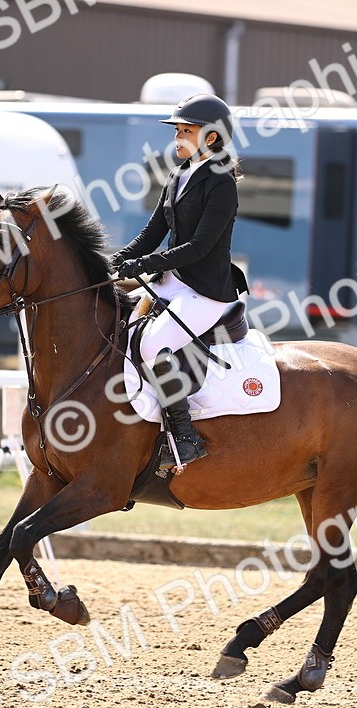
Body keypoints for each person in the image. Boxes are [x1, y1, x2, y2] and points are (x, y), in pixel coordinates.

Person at [109, 93, 247, 470]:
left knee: (153, 344)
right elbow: (153, 231)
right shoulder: (179, 175)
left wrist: (144, 264)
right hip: (174, 280)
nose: (178, 138)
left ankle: (185, 439)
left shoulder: (221, 183)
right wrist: (118, 260)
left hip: (207, 291)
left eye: (186, 131)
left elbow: (200, 246)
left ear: (211, 138)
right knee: (117, 325)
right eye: (178, 131)